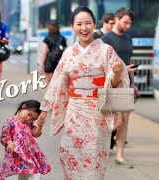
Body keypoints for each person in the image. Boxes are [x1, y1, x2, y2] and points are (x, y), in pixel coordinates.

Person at [37, 6, 130, 179]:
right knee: (67, 152)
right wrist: (44, 112)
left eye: (88, 23)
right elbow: (57, 83)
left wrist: (117, 73)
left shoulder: (106, 51)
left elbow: (117, 83)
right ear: (72, 26)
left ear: (95, 24)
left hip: (97, 112)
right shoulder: (68, 53)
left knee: (94, 157)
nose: (84, 28)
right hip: (74, 111)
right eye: (79, 24)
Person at [101, 7, 140, 168]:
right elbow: (102, 66)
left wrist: (133, 83)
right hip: (110, 85)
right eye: (125, 22)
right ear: (116, 19)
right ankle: (101, 150)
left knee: (124, 120)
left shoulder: (129, 39)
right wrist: (122, 70)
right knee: (108, 121)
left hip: (126, 86)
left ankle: (120, 155)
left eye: (130, 23)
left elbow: (129, 61)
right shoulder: (105, 39)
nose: (128, 26)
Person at [0, 100, 51, 180]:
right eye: (29, 114)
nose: (28, 119)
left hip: (29, 153)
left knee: (32, 172)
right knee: (26, 173)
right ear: (24, 107)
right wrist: (9, 143)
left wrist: (40, 126)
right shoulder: (11, 121)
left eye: (32, 119)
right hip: (19, 153)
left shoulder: (28, 124)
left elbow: (35, 134)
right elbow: (5, 134)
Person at [39, 20, 67, 84]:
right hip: (60, 63)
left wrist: (41, 65)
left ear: (48, 28)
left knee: (49, 84)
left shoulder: (47, 39)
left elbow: (44, 53)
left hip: (50, 63)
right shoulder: (62, 38)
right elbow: (65, 52)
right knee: (59, 85)